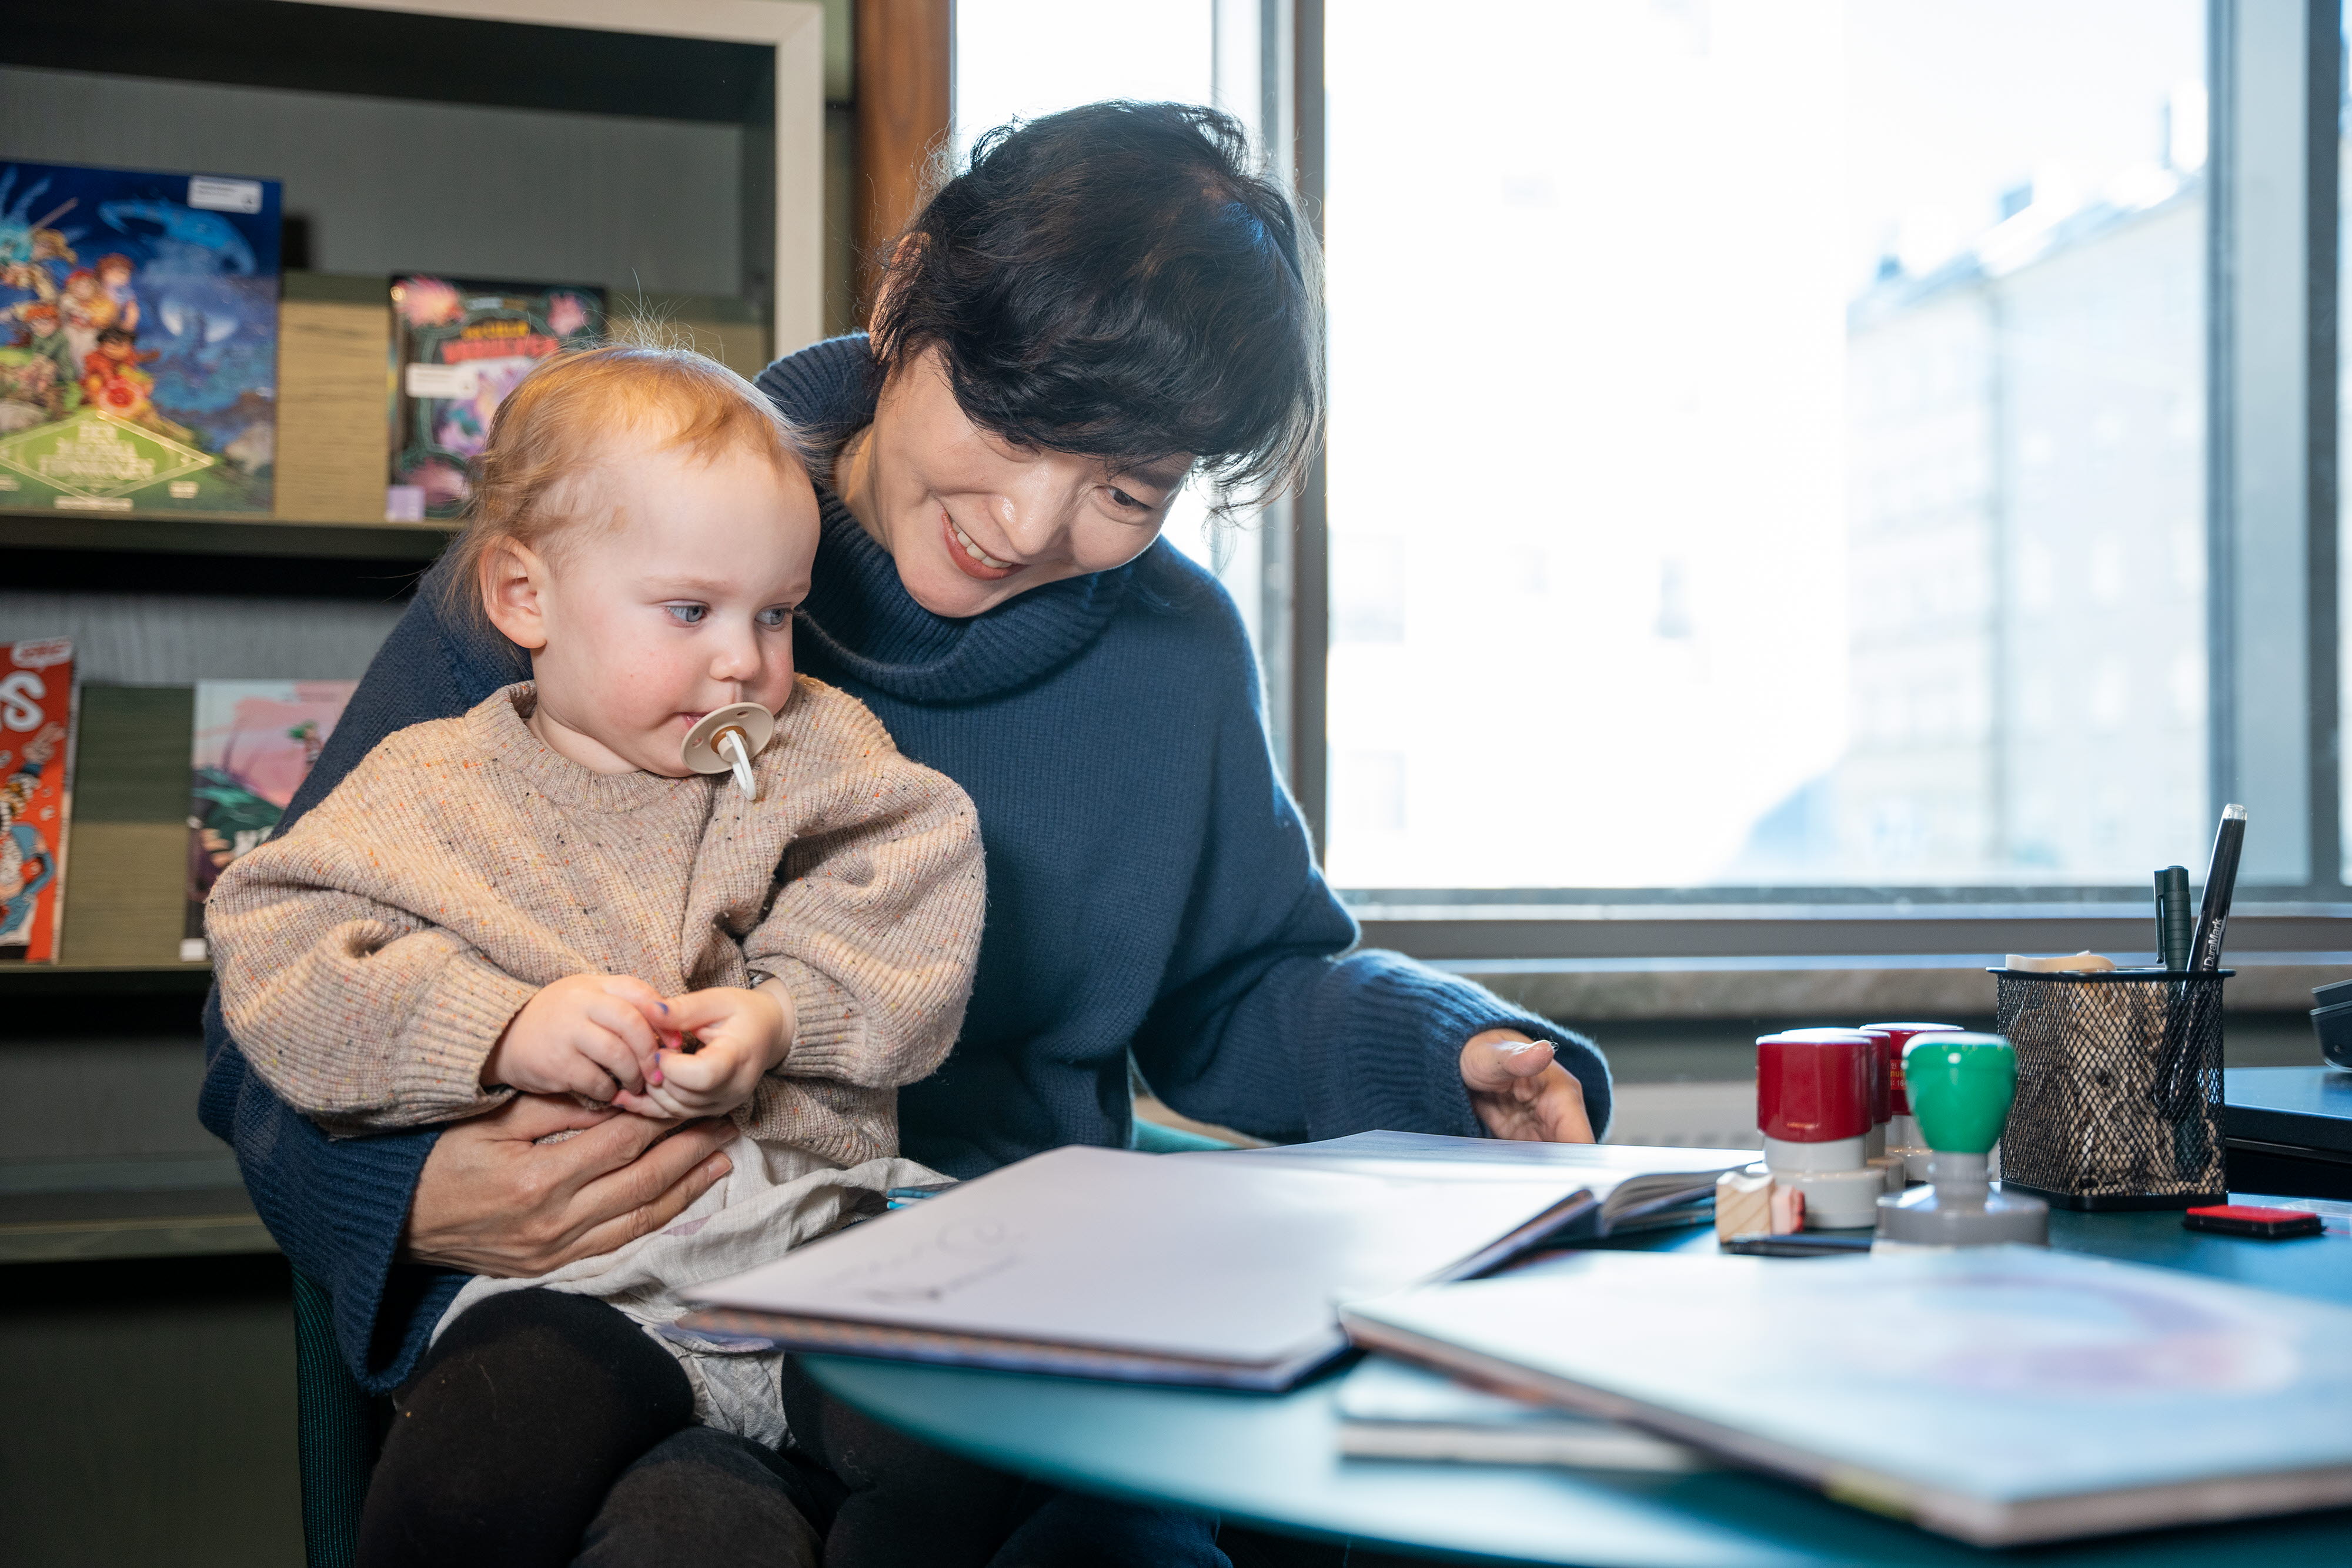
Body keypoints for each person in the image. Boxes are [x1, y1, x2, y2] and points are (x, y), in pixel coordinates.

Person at [200, 101, 1612, 1563]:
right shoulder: (628, 532)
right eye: (1007, 424)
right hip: (593, 1310)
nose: (1027, 517)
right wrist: (414, 1190)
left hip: (991, 1327)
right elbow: (284, 985)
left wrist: (1451, 1052)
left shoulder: (1174, 649)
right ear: (902, 301)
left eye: (1127, 488)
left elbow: (1238, 982)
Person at [206, 343, 987, 1566]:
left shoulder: (811, 747)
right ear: (526, 597)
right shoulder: (432, 784)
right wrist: (494, 1031)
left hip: (809, 1242)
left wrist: (781, 1019)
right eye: (690, 610)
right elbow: (277, 940)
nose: (743, 660)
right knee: (463, 1477)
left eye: (774, 613)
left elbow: (914, 879)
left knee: (969, 1446)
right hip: (572, 1284)